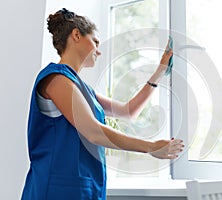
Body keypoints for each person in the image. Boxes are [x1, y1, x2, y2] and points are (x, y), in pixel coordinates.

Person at [21, 8, 184, 200]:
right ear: (76, 35)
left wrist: (159, 71)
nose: (98, 51)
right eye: (95, 42)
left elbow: (128, 111)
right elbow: (93, 132)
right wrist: (150, 147)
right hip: (54, 190)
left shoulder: (83, 89)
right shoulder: (56, 79)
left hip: (84, 190)